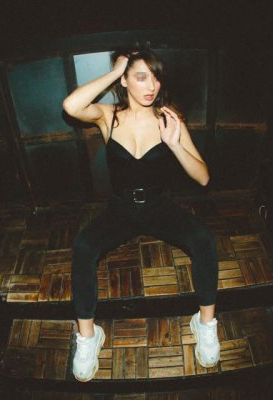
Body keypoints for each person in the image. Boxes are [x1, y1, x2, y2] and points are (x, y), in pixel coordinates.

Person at [63, 48, 220, 382]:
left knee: (203, 239)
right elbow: (71, 106)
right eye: (141, 76)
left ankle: (206, 323)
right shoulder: (108, 116)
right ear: (125, 80)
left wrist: (174, 144)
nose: (151, 85)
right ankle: (88, 336)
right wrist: (113, 72)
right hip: (120, 208)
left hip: (160, 206)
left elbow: (204, 177)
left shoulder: (169, 118)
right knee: (84, 247)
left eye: (156, 77)